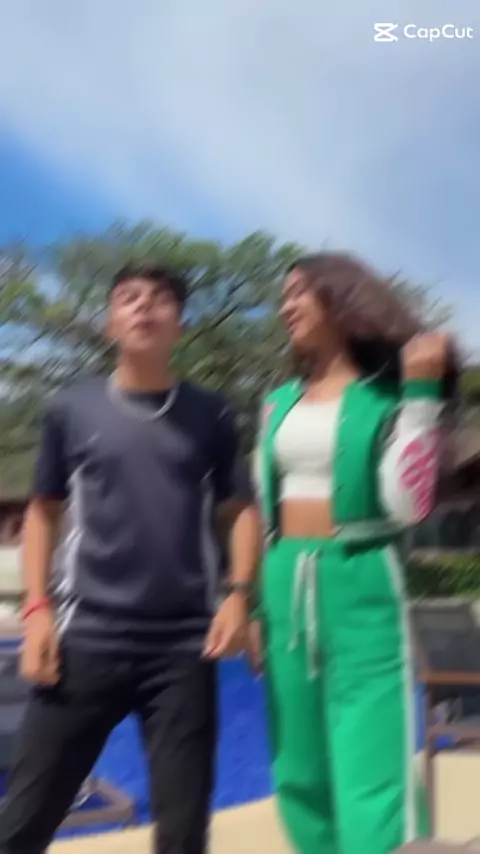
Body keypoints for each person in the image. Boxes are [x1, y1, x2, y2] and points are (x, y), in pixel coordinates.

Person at [0, 264, 258, 854]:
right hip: (85, 640)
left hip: (183, 650)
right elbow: (43, 513)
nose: (145, 307)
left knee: (183, 836)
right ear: (110, 323)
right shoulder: (72, 409)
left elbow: (240, 512)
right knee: (23, 823)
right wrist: (37, 610)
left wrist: (239, 595)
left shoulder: (212, 414)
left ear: (180, 326)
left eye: (161, 299)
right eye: (129, 298)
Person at [247, 252, 458, 854]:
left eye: (298, 293)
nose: (285, 306)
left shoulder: (386, 399)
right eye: (283, 295)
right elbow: (264, 506)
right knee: (298, 765)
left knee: (372, 757)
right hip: (284, 583)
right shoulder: (277, 403)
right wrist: (258, 606)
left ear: (339, 300)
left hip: (362, 578)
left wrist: (421, 396)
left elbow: (408, 505)